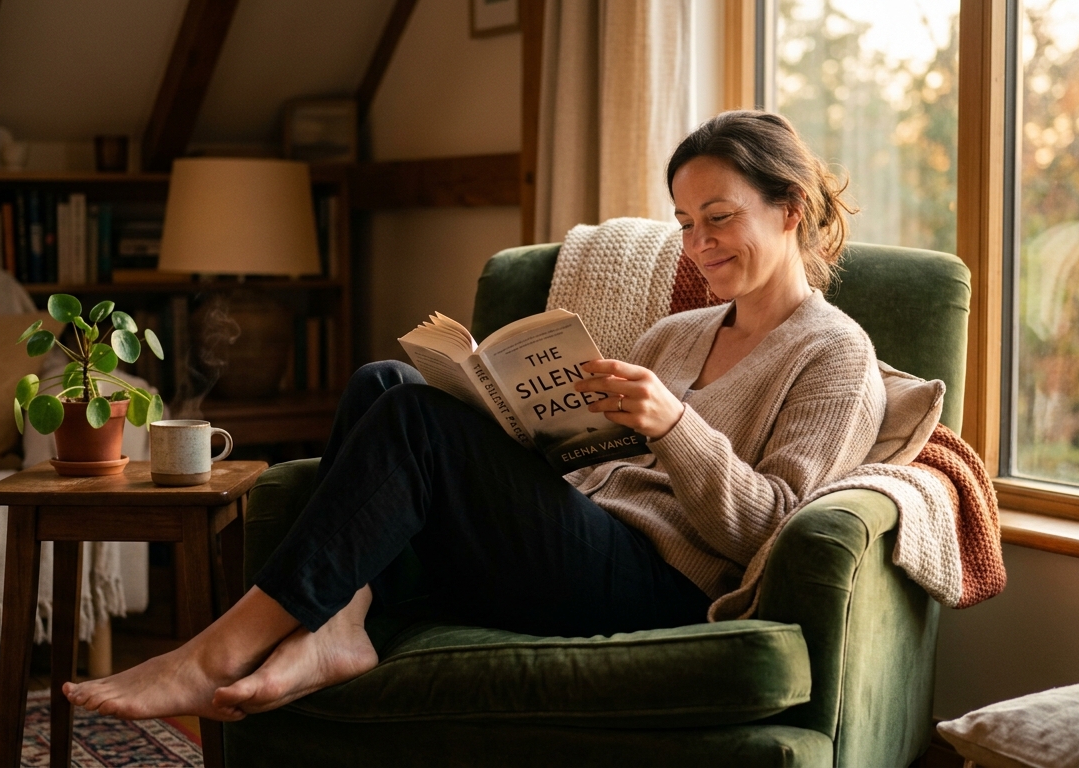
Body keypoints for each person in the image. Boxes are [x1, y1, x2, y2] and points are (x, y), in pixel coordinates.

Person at [64, 110, 885, 722]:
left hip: (662, 583)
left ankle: (217, 648)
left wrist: (675, 426)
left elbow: (768, 532)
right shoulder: (678, 331)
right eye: (684, 222)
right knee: (384, 383)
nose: (698, 244)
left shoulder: (834, 354)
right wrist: (519, 420)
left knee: (416, 424)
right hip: (575, 536)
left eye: (720, 217)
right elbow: (596, 461)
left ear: (790, 208)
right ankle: (340, 625)